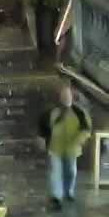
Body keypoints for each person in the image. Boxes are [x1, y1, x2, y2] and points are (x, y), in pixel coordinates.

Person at [39, 82, 93, 210]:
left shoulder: (79, 112)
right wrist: (42, 139)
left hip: (72, 149)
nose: (65, 98)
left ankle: (68, 191)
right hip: (55, 148)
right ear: (60, 97)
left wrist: (80, 139)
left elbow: (86, 128)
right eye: (63, 95)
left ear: (72, 96)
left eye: (67, 95)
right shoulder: (52, 112)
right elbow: (44, 127)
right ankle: (57, 196)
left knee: (71, 172)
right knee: (55, 172)